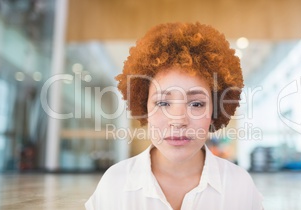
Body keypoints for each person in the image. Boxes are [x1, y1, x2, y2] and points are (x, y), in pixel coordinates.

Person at [85, 22, 263, 210]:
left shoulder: (240, 186)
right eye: (163, 103)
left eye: (196, 104)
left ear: (215, 111)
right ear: (144, 108)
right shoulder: (114, 184)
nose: (178, 121)